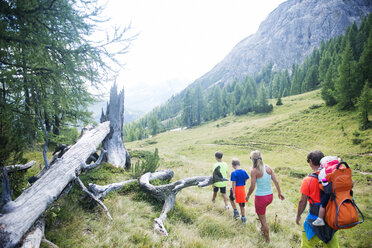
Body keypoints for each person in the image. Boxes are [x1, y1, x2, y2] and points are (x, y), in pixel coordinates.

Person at [296, 150, 339, 247]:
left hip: (314, 218)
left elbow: (302, 201)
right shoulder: (332, 177)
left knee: (307, 244)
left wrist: (298, 215)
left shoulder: (308, 180)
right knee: (333, 245)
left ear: (311, 162)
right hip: (331, 217)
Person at [245, 150, 285, 243]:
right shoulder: (268, 168)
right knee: (262, 216)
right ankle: (263, 231)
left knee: (263, 220)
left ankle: (267, 240)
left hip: (260, 198)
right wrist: (279, 193)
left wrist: (248, 195)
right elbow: (276, 182)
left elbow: (252, 186)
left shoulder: (254, 171)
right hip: (269, 197)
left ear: (252, 160)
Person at [312, 156, 340, 226]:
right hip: (341, 190)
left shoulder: (324, 171)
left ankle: (320, 219)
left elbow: (322, 182)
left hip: (330, 191)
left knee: (323, 204)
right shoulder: (340, 168)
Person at [229, 158, 249, 223]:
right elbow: (247, 178)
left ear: (233, 165)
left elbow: (233, 183)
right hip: (242, 189)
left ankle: (235, 211)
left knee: (231, 199)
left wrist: (234, 193)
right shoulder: (244, 171)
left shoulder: (233, 173)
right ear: (239, 164)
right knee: (242, 204)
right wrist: (244, 182)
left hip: (236, 189)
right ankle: (243, 218)